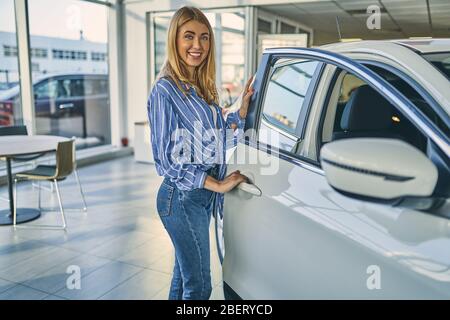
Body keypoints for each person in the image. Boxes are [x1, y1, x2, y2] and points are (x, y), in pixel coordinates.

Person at [147, 6, 254, 300]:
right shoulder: (164, 91)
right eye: (189, 37)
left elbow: (216, 137)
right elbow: (167, 160)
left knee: (183, 279)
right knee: (200, 286)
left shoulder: (200, 86)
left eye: (205, 38)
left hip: (200, 197)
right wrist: (218, 184)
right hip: (180, 199)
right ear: (175, 40)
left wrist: (241, 112)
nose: (198, 46)